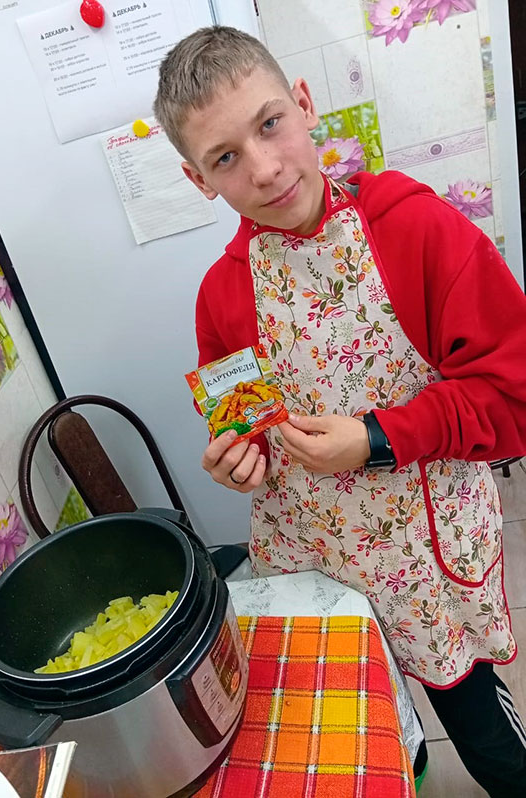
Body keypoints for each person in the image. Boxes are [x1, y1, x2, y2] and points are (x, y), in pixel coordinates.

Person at [154, 26, 526, 796]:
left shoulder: (416, 229)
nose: (264, 167)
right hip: (316, 566)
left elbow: (513, 394)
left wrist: (378, 438)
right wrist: (241, 463)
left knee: (486, 740)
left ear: (304, 104)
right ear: (198, 180)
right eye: (225, 157)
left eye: (270, 124)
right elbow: (240, 427)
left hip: (428, 559)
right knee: (371, 744)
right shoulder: (220, 297)